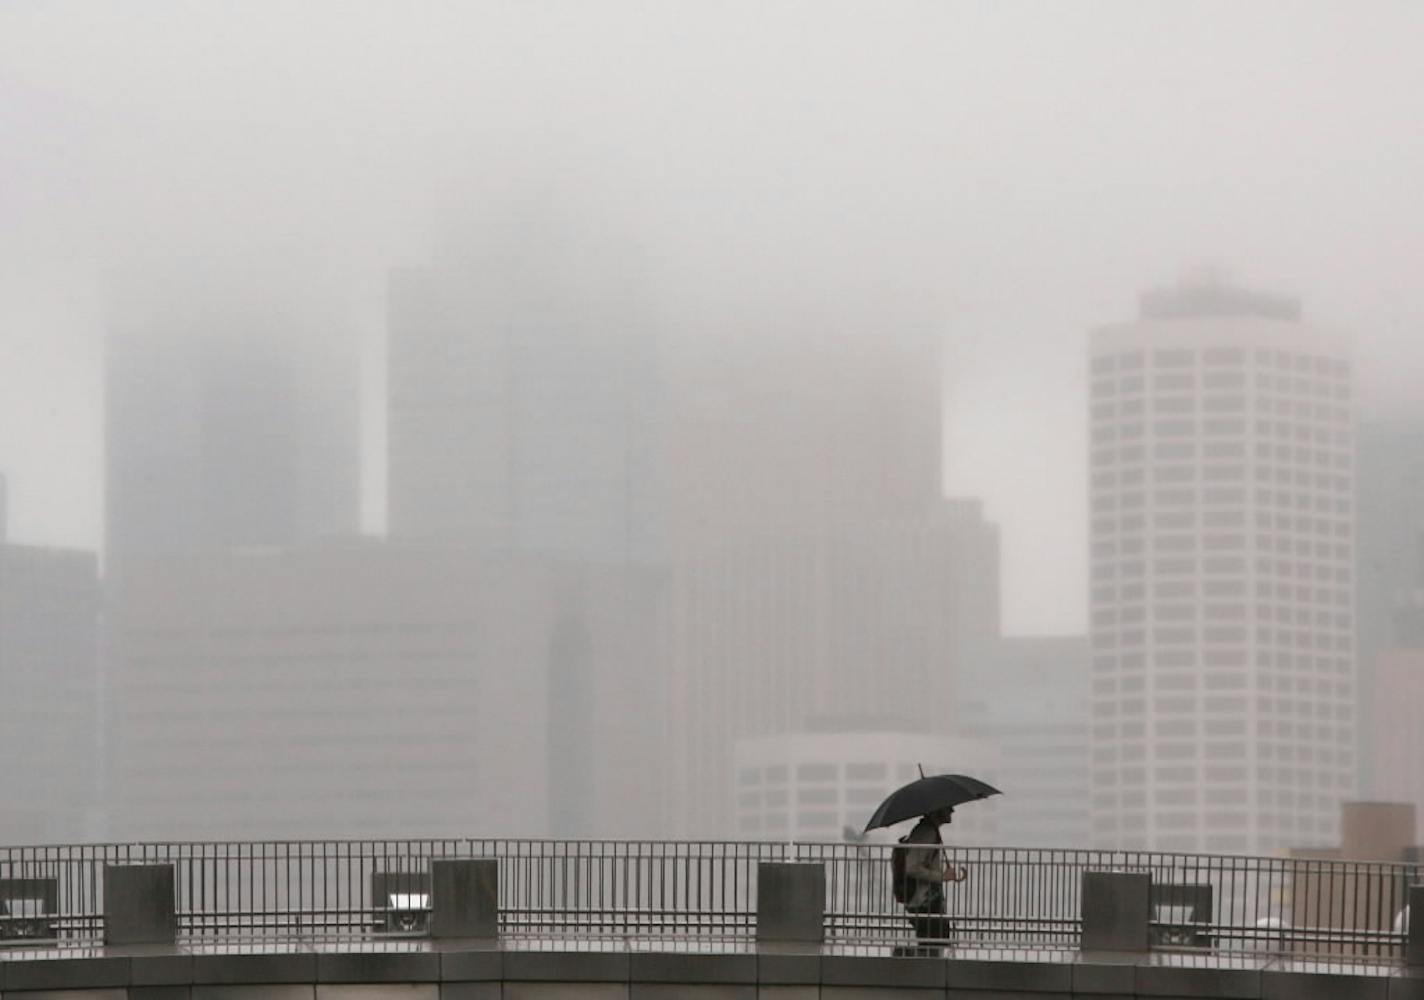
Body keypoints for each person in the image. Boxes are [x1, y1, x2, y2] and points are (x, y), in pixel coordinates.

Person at [900, 806, 968, 950]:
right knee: (934, 947)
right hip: (925, 903)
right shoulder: (926, 832)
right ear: (937, 811)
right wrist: (941, 876)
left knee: (936, 945)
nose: (952, 811)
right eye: (948, 808)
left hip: (928, 902)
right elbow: (912, 867)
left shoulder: (931, 831)